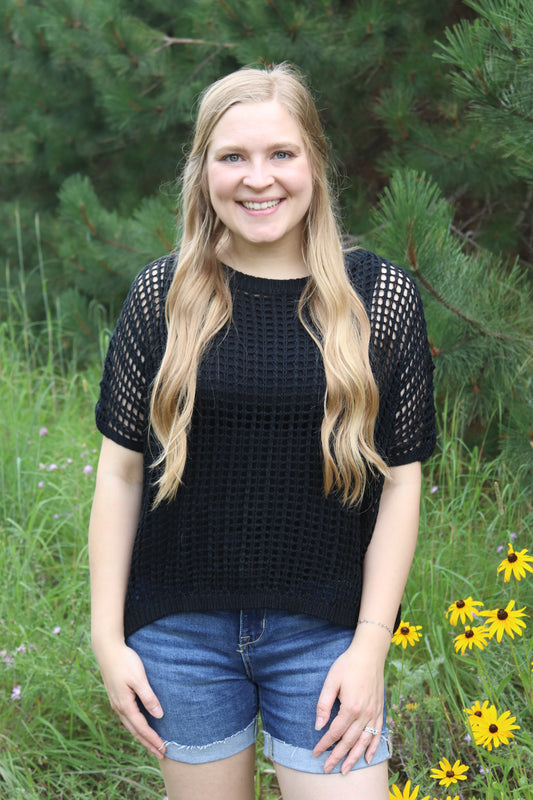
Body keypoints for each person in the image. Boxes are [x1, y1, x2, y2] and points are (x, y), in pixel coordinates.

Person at [89, 62, 436, 800]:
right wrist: (106, 638)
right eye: (232, 157)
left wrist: (370, 646)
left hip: (327, 634)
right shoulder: (163, 296)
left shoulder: (379, 298)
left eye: (280, 154)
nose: (258, 179)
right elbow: (119, 474)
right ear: (203, 171)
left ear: (313, 160)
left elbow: (402, 483)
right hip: (179, 636)